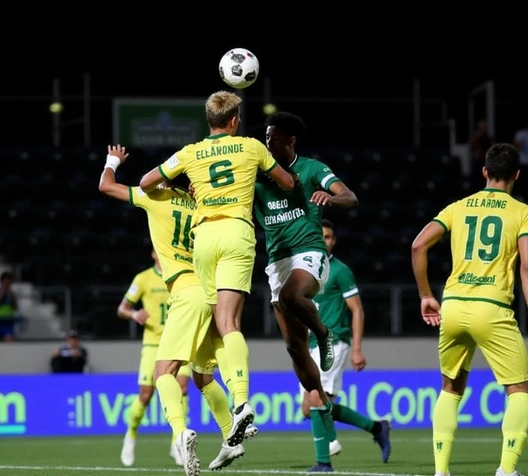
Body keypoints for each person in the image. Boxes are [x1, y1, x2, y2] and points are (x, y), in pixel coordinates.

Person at [139, 91, 295, 445]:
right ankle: (241, 401)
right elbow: (286, 181)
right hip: (237, 233)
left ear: (208, 120)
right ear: (234, 121)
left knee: (214, 329)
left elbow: (148, 182)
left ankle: (220, 421)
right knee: (229, 324)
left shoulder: (190, 152)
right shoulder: (252, 146)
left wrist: (185, 184)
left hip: (204, 238)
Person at [100, 145, 257, 475]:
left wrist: (112, 161)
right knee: (202, 375)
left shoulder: (154, 197)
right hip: (213, 287)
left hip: (186, 293)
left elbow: (106, 186)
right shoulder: (199, 203)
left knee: (163, 374)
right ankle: (232, 429)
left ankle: (180, 432)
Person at [411, 143, 528, 476]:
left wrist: (425, 295)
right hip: (492, 308)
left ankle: (441, 471)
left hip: (453, 308)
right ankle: (506, 470)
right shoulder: (521, 212)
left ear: (484, 172)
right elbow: (527, 267)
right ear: (517, 175)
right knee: (519, 390)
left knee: (450, 388)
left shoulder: (458, 207)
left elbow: (418, 244)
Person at [252, 111, 358, 460]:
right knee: (295, 349)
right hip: (277, 260)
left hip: (309, 252)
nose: (270, 143)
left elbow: (349, 196)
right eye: (267, 138)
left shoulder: (312, 169)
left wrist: (332, 198)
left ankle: (324, 334)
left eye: (276, 138)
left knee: (292, 295)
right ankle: (324, 409)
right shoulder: (257, 177)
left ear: (291, 140)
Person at [300, 219, 391, 471]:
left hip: (333, 340)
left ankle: (323, 463)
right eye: (321, 236)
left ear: (334, 241)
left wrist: (357, 348)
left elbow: (357, 310)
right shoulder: (303, 269)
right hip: (309, 345)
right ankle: (376, 427)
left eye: (329, 237)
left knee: (317, 400)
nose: (325, 240)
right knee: (309, 409)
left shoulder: (340, 271)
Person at [116, 250, 192, 467]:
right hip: (153, 345)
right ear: (153, 254)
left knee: (182, 389)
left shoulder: (181, 275)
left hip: (179, 341)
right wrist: (133, 314)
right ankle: (130, 436)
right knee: (146, 394)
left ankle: (177, 443)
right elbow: (122, 309)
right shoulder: (143, 278)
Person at [0, 271, 20, 342]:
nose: (6, 285)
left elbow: (16, 308)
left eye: (8, 283)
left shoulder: (12, 295)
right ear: (1, 282)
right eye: (5, 282)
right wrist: (1, 294)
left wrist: (11, 297)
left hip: (7, 323)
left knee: (9, 342)